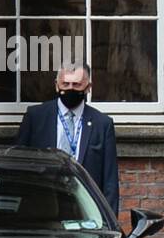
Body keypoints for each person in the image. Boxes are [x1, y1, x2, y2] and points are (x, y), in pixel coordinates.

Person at [16, 62, 120, 214]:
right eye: (65, 84)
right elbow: (19, 167)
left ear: (88, 87)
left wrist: (110, 223)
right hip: (42, 207)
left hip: (86, 210)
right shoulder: (36, 117)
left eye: (77, 85)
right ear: (57, 85)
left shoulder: (102, 124)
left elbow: (110, 181)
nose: (70, 89)